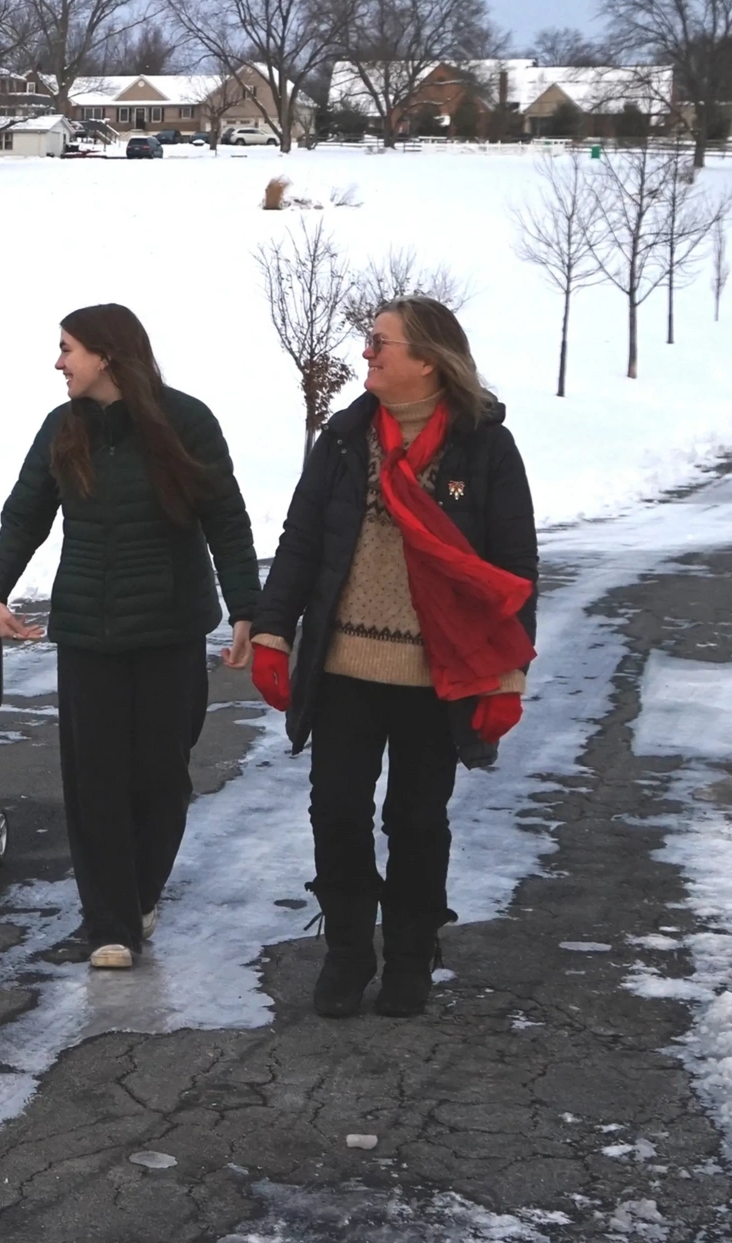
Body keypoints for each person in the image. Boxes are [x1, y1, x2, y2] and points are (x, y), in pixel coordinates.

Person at [250, 297, 536, 1019]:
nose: (367, 354)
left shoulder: (484, 448)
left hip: (435, 677)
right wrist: (273, 632)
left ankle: (410, 954)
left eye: (380, 343)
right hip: (345, 667)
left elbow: (513, 565)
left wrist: (507, 677)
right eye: (368, 341)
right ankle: (348, 949)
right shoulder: (345, 438)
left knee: (416, 817)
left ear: (429, 359)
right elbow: (302, 539)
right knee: (337, 809)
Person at [0, 305, 258, 970]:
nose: (58, 362)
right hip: (87, 634)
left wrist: (249, 608)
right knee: (94, 779)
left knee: (161, 777)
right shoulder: (62, 428)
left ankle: (140, 892)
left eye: (67, 348)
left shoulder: (186, 421)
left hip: (169, 630)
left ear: (106, 353)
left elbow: (226, 516)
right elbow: (24, 514)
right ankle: (109, 924)